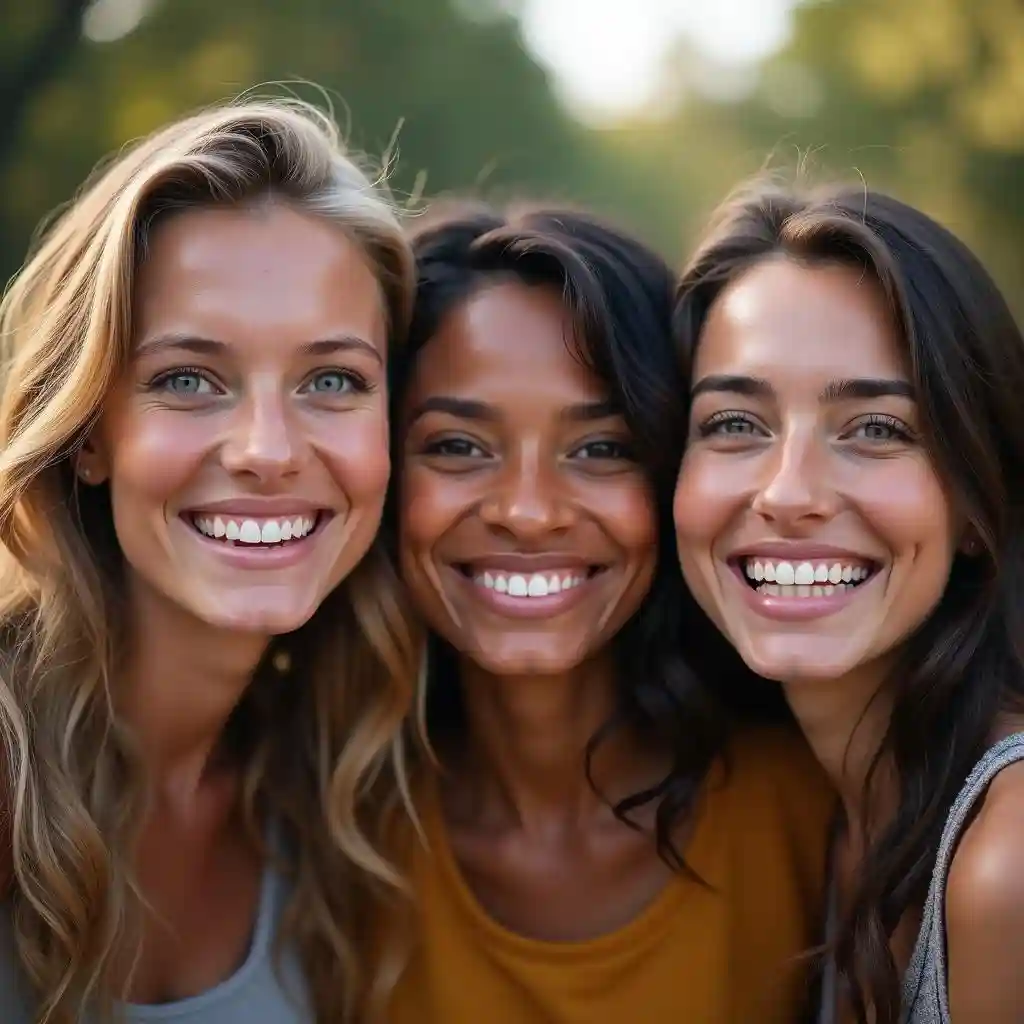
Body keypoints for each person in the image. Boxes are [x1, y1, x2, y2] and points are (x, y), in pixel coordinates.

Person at [0, 98, 419, 1024]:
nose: (267, 449)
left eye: (332, 381)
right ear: (87, 434)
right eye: (188, 379)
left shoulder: (336, 794)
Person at [383, 201, 835, 1024]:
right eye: (457, 445)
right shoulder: (321, 834)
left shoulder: (813, 808)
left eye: (602, 449)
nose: (528, 512)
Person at [672, 179, 1024, 1024]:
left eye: (877, 429)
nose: (788, 493)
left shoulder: (1007, 859)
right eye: (734, 424)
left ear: (977, 507)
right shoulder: (827, 810)